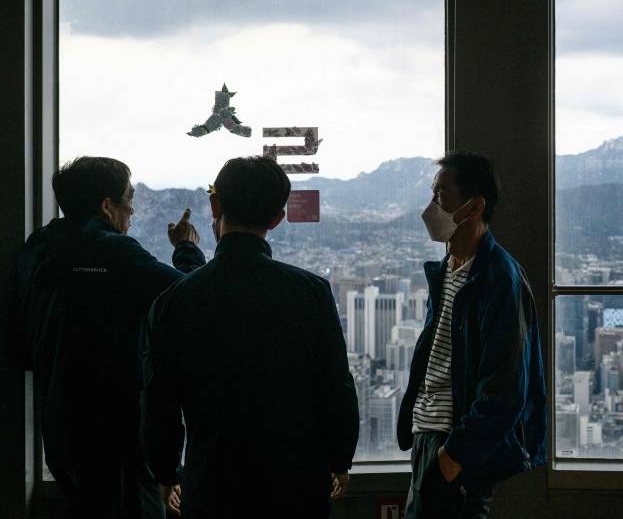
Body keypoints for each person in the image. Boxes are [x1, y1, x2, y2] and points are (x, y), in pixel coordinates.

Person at [141, 156, 359, 519]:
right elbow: (336, 387)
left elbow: (159, 403)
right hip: (296, 488)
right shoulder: (310, 293)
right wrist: (339, 459)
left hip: (213, 487)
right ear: (277, 218)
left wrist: (166, 473)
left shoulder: (173, 302)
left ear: (215, 206)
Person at [12, 156, 205, 519]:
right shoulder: (116, 253)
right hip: (117, 437)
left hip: (60, 432)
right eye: (129, 199)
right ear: (106, 206)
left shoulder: (38, 248)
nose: (133, 210)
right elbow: (193, 298)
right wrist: (186, 249)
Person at [398, 152, 547, 519]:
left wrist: (453, 457)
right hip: (429, 435)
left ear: (474, 206)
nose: (432, 207)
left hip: (455, 446)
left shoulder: (500, 279)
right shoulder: (448, 269)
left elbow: (505, 386)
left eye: (441, 195)